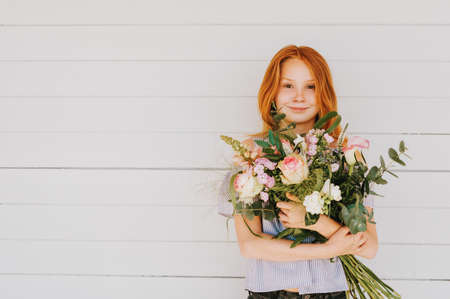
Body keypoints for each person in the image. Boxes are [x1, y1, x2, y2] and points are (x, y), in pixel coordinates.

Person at [217, 45, 379, 299]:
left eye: (311, 86)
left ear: (323, 92)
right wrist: (327, 250)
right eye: (288, 85)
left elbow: (368, 247)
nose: (299, 96)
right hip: (269, 294)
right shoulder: (251, 157)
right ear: (272, 92)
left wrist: (314, 221)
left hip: (330, 294)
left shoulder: (346, 157)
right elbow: (250, 244)